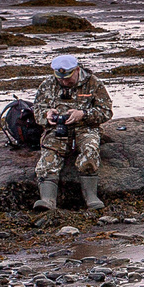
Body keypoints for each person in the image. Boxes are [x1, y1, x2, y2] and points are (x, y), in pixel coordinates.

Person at [30, 53, 113, 211]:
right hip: (58, 129)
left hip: (85, 127)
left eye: (67, 78)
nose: (64, 81)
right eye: (60, 78)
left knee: (90, 149)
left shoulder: (93, 83)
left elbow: (106, 111)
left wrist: (83, 114)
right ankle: (48, 200)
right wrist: (47, 115)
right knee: (49, 156)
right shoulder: (48, 84)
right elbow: (37, 110)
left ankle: (91, 197)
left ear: (76, 70)